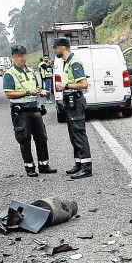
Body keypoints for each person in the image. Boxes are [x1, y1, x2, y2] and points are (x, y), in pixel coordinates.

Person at [2, 45, 56, 177]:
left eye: (24, 55)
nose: (22, 58)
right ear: (13, 57)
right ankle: (30, 167)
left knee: (41, 138)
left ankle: (44, 165)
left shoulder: (31, 71)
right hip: (20, 112)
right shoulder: (10, 74)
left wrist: (41, 92)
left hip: (35, 109)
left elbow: (36, 88)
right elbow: (9, 94)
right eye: (19, 55)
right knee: (24, 139)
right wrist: (27, 92)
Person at [53, 37, 93, 179]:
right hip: (70, 103)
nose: (54, 50)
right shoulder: (67, 62)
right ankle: (78, 164)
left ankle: (86, 168)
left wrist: (66, 86)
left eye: (55, 47)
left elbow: (83, 84)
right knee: (73, 134)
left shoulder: (74, 62)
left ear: (62, 48)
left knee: (79, 134)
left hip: (75, 101)